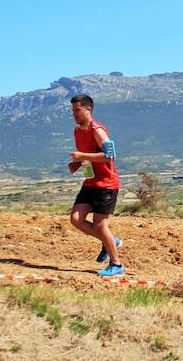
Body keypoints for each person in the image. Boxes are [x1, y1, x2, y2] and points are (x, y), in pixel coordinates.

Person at [68, 94, 125, 277]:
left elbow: (109, 155)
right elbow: (87, 155)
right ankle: (111, 241)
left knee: (100, 224)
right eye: (73, 111)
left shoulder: (97, 129)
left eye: (77, 110)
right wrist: (76, 164)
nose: (74, 114)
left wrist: (82, 157)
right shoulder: (78, 131)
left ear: (88, 109)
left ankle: (116, 264)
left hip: (106, 184)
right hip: (90, 182)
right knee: (76, 219)